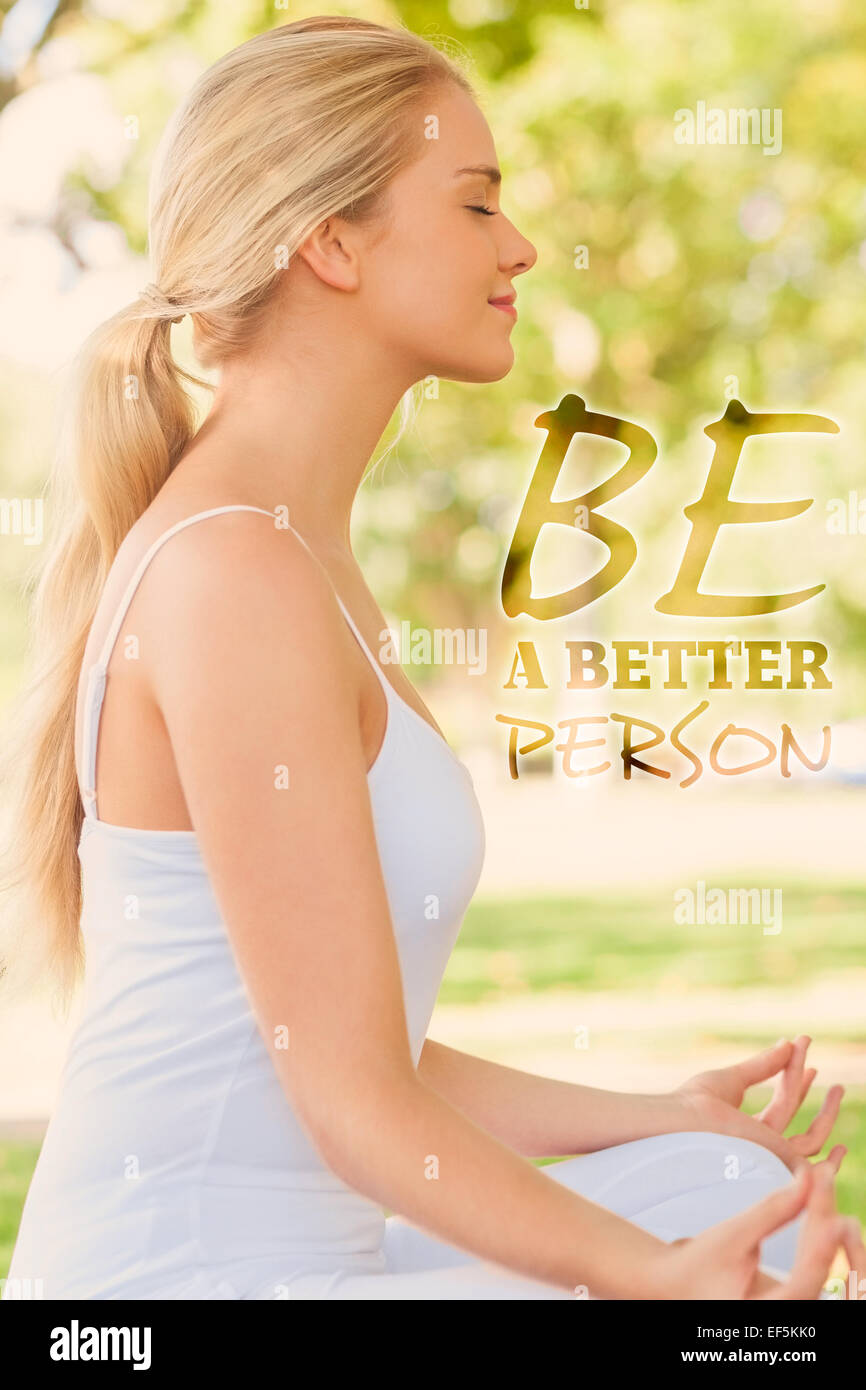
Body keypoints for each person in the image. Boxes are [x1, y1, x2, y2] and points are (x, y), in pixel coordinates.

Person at [3, 16, 862, 1301]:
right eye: (474, 205)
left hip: (304, 1258)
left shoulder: (292, 553)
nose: (518, 247)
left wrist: (651, 1112)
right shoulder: (234, 571)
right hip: (174, 1289)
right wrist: (653, 1278)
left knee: (725, 1182)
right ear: (329, 241)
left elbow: (361, 1047)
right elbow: (352, 1100)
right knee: (725, 1269)